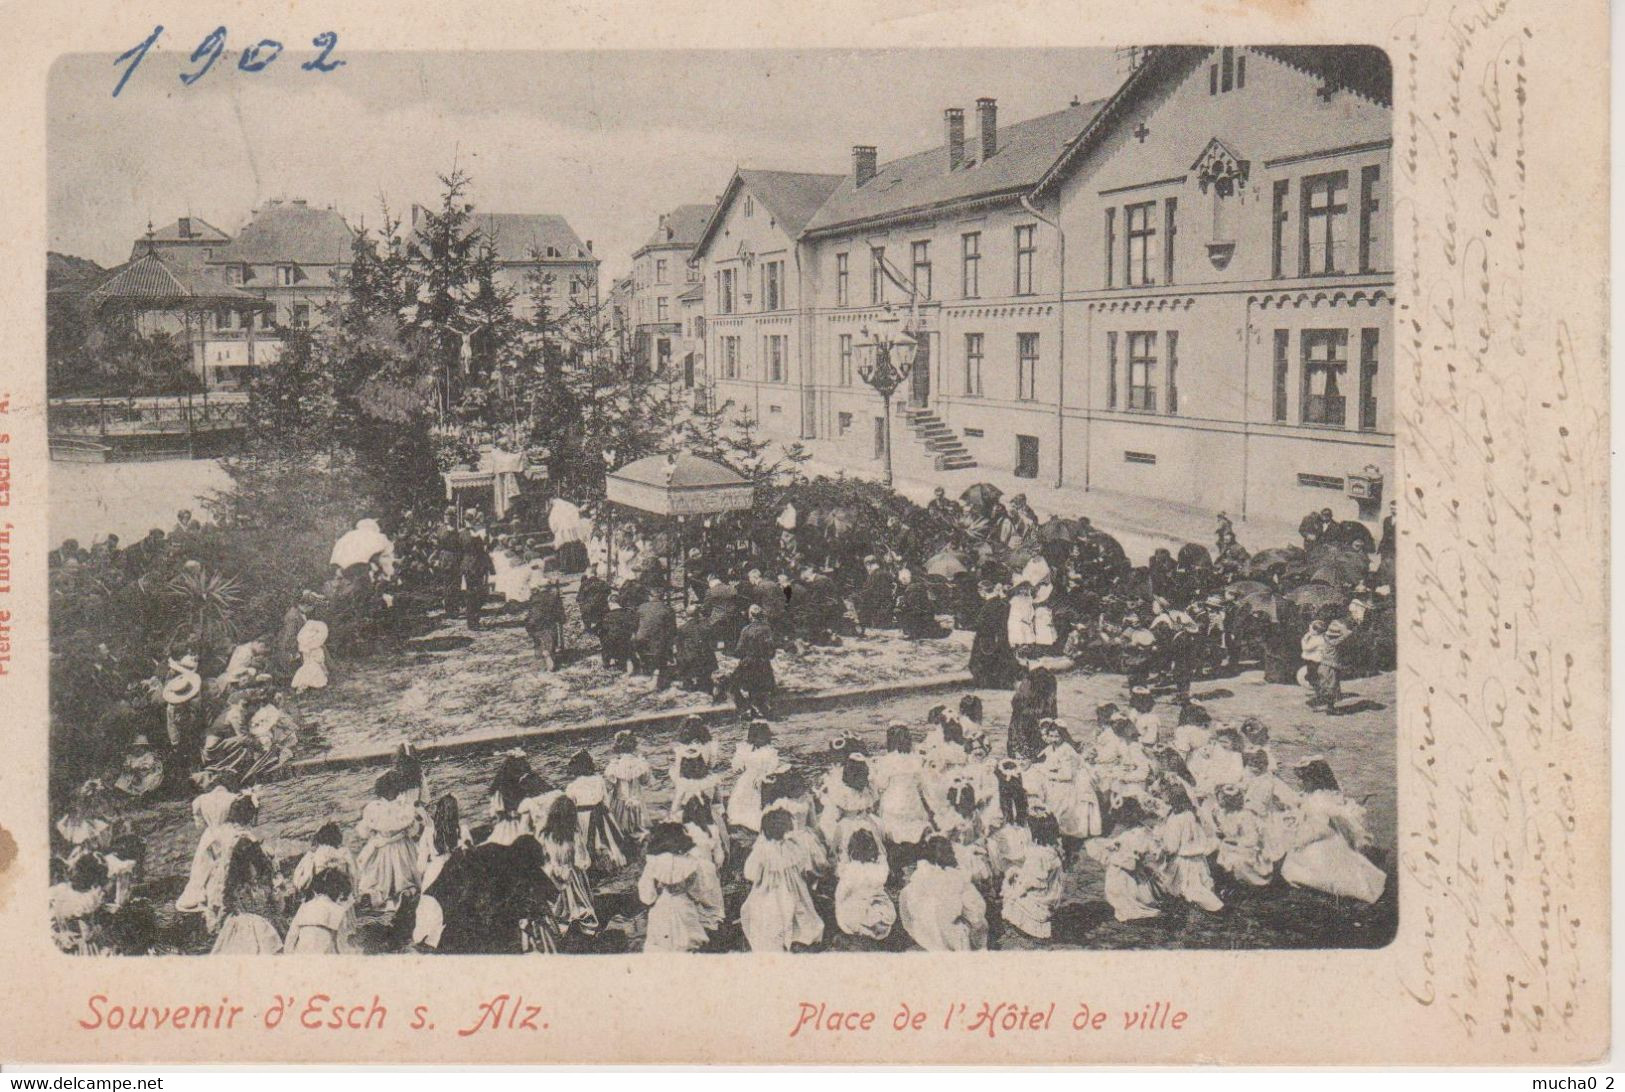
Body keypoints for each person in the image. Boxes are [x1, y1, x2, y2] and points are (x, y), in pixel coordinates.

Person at [1279, 759, 1386, 903]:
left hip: (1323, 838)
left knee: (1311, 866)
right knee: (1295, 859)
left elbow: (1326, 825)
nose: (1301, 784)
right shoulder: (1309, 796)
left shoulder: (1321, 799)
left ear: (1314, 780)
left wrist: (1302, 839)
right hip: (1313, 833)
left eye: (1304, 780)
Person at [740, 807, 824, 952]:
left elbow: (750, 873)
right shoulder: (793, 847)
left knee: (769, 913)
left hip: (769, 890)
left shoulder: (761, 851)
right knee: (799, 908)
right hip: (793, 888)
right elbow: (803, 865)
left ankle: (782, 938)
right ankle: (797, 936)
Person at [898, 835, 988, 951]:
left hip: (925, 931)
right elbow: (976, 910)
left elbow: (908, 908)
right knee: (976, 921)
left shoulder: (918, 878)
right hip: (950, 932)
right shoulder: (957, 878)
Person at [1085, 797, 1164, 922]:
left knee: (1120, 887)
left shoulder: (1140, 833)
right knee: (1117, 885)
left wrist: (1120, 852)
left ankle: (1130, 904)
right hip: (1127, 866)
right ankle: (1128, 902)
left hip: (1128, 869)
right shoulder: (1134, 831)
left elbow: (1140, 852)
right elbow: (1121, 843)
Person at [638, 822, 711, 952]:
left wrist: (657, 893)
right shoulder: (691, 861)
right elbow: (701, 891)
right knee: (688, 945)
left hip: (661, 907)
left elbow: (646, 896)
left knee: (660, 947)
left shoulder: (654, 862)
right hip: (685, 907)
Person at [355, 770, 422, 911]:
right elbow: (413, 831)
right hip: (402, 847)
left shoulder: (373, 808)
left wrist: (374, 835)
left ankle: (376, 894)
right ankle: (405, 891)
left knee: (377, 877)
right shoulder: (404, 807)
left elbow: (364, 832)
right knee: (404, 874)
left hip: (381, 847)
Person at [538, 794, 600, 942]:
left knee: (559, 904)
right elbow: (581, 860)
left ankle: (560, 928)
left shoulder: (545, 835)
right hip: (573, 875)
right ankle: (588, 928)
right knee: (581, 901)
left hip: (553, 874)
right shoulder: (573, 835)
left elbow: (542, 856)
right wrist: (585, 864)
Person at [1154, 783, 1224, 913]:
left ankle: (1216, 907)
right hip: (1198, 860)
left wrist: (1161, 845)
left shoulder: (1176, 819)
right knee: (1198, 884)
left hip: (1183, 861)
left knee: (1187, 888)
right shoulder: (1192, 814)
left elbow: (1172, 846)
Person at [1000, 806, 1065, 941]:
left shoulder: (1037, 855)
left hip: (1039, 895)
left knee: (1010, 888)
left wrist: (1016, 888)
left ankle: (1028, 925)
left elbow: (1032, 881)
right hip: (1050, 891)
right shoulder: (1052, 849)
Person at [211, 839, 283, 954]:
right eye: (250, 864)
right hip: (245, 928)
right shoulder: (238, 887)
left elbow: (276, 907)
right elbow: (226, 906)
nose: (254, 868)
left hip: (263, 926)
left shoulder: (262, 884)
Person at [834, 829, 896, 942]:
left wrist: (841, 905)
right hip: (876, 901)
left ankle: (865, 927)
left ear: (851, 852)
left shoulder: (850, 870)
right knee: (878, 908)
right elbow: (883, 864)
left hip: (859, 904)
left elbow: (841, 894)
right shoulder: (879, 869)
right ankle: (877, 923)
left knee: (852, 909)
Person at [286, 868, 358, 954]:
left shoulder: (305, 906)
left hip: (301, 955)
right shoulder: (338, 911)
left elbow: (291, 937)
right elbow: (341, 945)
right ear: (338, 891)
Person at [727, 719, 780, 832]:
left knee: (757, 802)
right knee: (741, 799)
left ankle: (756, 824)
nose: (758, 739)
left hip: (762, 780)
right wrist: (739, 760)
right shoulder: (745, 749)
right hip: (747, 779)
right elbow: (737, 767)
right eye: (755, 736)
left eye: (761, 736)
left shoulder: (770, 751)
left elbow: (772, 769)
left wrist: (763, 777)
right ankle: (740, 823)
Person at [968, 581, 1022, 689]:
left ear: (982, 591)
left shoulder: (989, 605)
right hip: (1001, 636)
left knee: (982, 660)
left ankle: (987, 683)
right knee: (1000, 659)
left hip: (987, 637)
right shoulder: (1000, 603)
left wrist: (971, 626)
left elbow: (982, 623)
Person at [730, 604, 778, 720]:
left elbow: (739, 650)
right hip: (764, 663)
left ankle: (746, 709)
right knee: (762, 686)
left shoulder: (746, 630)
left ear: (750, 616)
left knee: (733, 684)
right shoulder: (767, 629)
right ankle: (764, 708)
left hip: (749, 663)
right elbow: (772, 648)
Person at [603, 730, 655, 838]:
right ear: (633, 746)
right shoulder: (640, 763)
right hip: (637, 802)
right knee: (640, 829)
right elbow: (645, 781)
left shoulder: (615, 765)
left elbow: (608, 786)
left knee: (620, 831)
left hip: (620, 803)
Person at [1008, 666, 1057, 760]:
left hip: (1039, 736)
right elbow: (1016, 729)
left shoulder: (1048, 687)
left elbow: (1053, 720)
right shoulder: (1023, 696)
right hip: (1023, 737)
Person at [672, 605, 718, 695]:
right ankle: (704, 682)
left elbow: (678, 646)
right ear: (698, 614)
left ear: (687, 615)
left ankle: (688, 683)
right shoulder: (706, 627)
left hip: (690, 658)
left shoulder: (682, 628)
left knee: (682, 655)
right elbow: (713, 643)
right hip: (705, 658)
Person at [634, 591, 677, 686]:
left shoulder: (641, 607)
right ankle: (660, 670)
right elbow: (673, 630)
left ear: (650, 597)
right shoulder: (668, 609)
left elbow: (635, 625)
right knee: (665, 638)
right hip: (658, 644)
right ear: (663, 597)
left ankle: (646, 669)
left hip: (642, 643)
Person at [524, 579, 567, 671]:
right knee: (552, 637)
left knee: (538, 637)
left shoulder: (534, 597)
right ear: (549, 588)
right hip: (549, 622)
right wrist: (562, 619)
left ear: (539, 588)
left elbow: (531, 612)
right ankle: (549, 652)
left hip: (536, 623)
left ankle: (541, 652)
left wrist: (529, 622)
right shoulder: (554, 597)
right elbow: (559, 611)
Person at [458, 530, 496, 630]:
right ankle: (473, 622)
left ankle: (473, 621)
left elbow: (487, 552)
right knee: (473, 596)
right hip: (472, 569)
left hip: (476, 568)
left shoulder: (483, 534)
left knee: (476, 595)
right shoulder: (466, 536)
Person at [895, 568, 947, 639]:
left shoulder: (910, 588)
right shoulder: (921, 584)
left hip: (917, 614)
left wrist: (901, 604)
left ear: (904, 579)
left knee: (899, 611)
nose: (902, 583)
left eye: (902, 581)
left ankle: (911, 632)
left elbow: (910, 604)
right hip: (927, 613)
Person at [599, 593, 638, 673]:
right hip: (627, 643)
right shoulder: (628, 613)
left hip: (611, 645)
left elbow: (601, 630)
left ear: (610, 603)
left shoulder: (607, 616)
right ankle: (624, 663)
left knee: (604, 638)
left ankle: (606, 664)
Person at [854, 555, 895, 630]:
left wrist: (859, 595)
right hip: (888, 608)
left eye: (866, 566)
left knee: (857, 599)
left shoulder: (873, 576)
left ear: (868, 565)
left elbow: (869, 593)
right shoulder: (886, 573)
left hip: (877, 610)